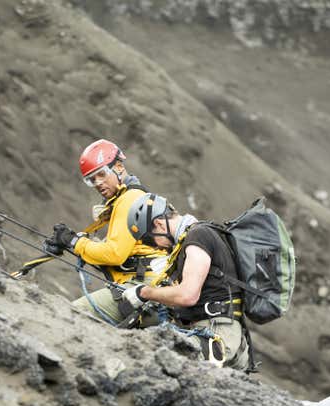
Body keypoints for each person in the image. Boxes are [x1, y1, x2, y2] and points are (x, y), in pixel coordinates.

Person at [121, 193, 250, 370]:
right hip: (219, 330)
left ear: (158, 224)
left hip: (216, 332)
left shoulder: (198, 236)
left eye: (149, 240)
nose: (155, 247)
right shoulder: (195, 237)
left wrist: (144, 292)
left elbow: (188, 295)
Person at [43, 139, 166, 325]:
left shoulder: (129, 199)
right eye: (92, 180)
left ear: (118, 167)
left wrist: (74, 242)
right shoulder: (133, 197)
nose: (98, 183)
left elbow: (114, 254)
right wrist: (76, 242)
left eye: (101, 174)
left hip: (142, 287)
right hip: (150, 286)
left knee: (70, 315)